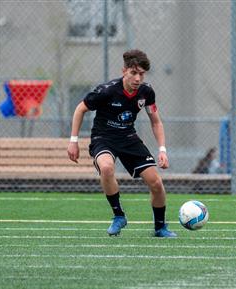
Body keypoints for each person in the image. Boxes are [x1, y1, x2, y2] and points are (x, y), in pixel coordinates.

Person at [67, 49, 176, 238]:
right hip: (104, 138)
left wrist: (162, 150)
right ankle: (118, 216)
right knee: (107, 168)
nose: (137, 78)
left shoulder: (146, 92)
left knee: (156, 183)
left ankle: (160, 227)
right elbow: (80, 109)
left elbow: (156, 121)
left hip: (128, 138)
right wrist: (73, 141)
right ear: (124, 71)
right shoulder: (107, 91)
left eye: (141, 74)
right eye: (133, 73)